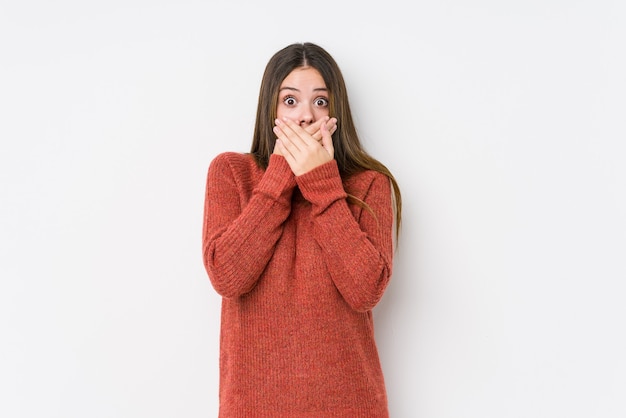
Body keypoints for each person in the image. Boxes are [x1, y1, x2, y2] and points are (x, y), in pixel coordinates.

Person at [202, 42, 402, 417]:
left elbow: (365, 291)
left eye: (321, 102)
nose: (306, 116)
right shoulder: (231, 173)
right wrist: (279, 176)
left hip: (349, 406)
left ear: (336, 112)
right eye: (290, 101)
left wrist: (323, 183)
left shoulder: (369, 184)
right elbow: (227, 277)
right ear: (271, 110)